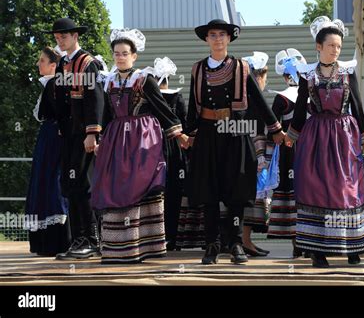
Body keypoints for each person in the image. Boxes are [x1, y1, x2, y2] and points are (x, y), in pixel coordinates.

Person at [186, 19, 285, 265]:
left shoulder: (241, 67)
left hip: (236, 132)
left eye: (222, 34)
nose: (218, 38)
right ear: (206, 39)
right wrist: (187, 133)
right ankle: (211, 244)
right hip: (208, 133)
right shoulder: (197, 69)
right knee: (209, 191)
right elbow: (191, 107)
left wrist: (276, 129)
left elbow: (259, 100)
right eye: (213, 34)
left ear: (229, 39)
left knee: (236, 191)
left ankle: (236, 244)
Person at [285, 16, 364, 268]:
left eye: (338, 46)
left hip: (344, 135)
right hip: (316, 136)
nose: (335, 50)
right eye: (330, 46)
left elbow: (357, 106)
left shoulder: (348, 71)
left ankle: (353, 247)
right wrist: (291, 136)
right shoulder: (307, 75)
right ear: (318, 46)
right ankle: (318, 250)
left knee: (347, 188)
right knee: (318, 187)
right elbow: (299, 110)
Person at [91, 29, 188, 264]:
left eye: (125, 53)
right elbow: (105, 114)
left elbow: (162, 108)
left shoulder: (144, 79)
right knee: (116, 185)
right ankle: (117, 247)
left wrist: (178, 133)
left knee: (139, 183)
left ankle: (143, 246)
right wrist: (99, 137)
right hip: (116, 137)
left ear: (134, 56)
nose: (120, 57)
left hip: (143, 138)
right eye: (116, 54)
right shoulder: (109, 81)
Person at [44, 18, 104, 260]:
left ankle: (91, 239)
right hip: (69, 133)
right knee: (70, 186)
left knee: (82, 184)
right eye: (57, 36)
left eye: (65, 36)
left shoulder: (88, 63)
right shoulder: (62, 65)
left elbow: (95, 99)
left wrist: (92, 132)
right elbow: (60, 99)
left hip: (83, 133)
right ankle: (79, 238)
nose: (60, 39)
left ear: (75, 36)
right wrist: (60, 124)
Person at [25, 47, 71, 256]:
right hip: (49, 137)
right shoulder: (51, 84)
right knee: (46, 182)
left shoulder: (55, 84)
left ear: (54, 65)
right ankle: (47, 242)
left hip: (54, 139)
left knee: (52, 182)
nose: (38, 64)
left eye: (42, 60)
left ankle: (55, 241)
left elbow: (59, 113)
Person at [267, 48, 307, 258]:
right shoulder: (283, 98)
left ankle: (302, 243)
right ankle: (301, 243)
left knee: (301, 192)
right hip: (296, 151)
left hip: (300, 150)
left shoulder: (292, 97)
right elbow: (271, 127)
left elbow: (271, 128)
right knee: (300, 192)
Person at [154, 57, 188, 251]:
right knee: (174, 192)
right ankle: (173, 237)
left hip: (156, 147)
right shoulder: (177, 97)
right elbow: (184, 122)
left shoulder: (154, 97)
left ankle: (160, 236)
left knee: (160, 192)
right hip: (175, 146)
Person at [240, 51, 272, 257]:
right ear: (259, 76)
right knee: (248, 199)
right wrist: (261, 157)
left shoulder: (242, 98)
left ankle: (244, 240)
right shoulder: (253, 100)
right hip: (251, 154)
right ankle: (245, 240)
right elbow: (257, 131)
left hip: (244, 153)